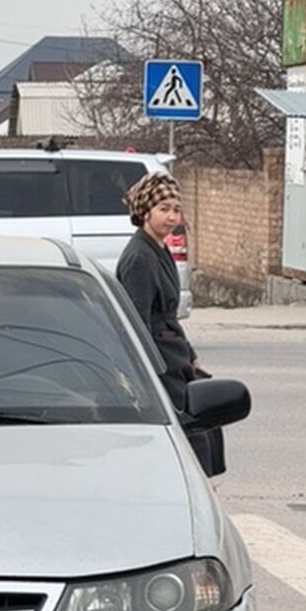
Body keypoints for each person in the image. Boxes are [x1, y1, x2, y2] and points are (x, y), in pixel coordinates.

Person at [115, 171, 224, 474]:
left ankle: (202, 483)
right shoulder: (140, 257)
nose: (172, 216)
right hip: (160, 361)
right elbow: (138, 323)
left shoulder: (158, 248)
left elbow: (169, 315)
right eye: (163, 209)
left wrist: (189, 353)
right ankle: (197, 487)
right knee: (191, 425)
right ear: (144, 211)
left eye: (176, 209)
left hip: (173, 353)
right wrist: (148, 372)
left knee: (204, 421)